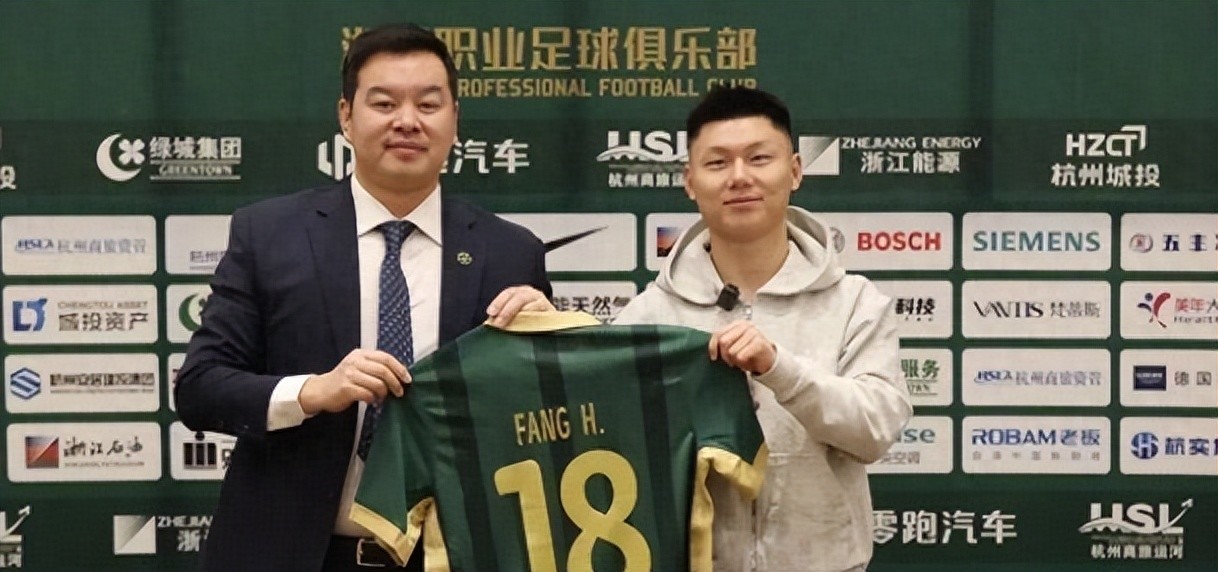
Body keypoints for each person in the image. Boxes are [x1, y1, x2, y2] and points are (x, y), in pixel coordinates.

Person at [175, 23, 553, 572]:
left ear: (454, 120)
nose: (408, 121)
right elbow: (200, 388)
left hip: (453, 555)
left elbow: (542, 428)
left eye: (428, 104)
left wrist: (549, 350)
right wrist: (312, 391)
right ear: (346, 117)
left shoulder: (510, 252)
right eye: (384, 103)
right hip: (296, 555)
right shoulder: (269, 235)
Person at [613, 86, 913, 572]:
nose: (739, 177)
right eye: (717, 163)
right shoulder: (647, 316)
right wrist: (544, 333)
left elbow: (874, 431)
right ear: (689, 181)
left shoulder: (855, 302)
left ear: (794, 171)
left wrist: (780, 369)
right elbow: (610, 443)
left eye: (758, 158)